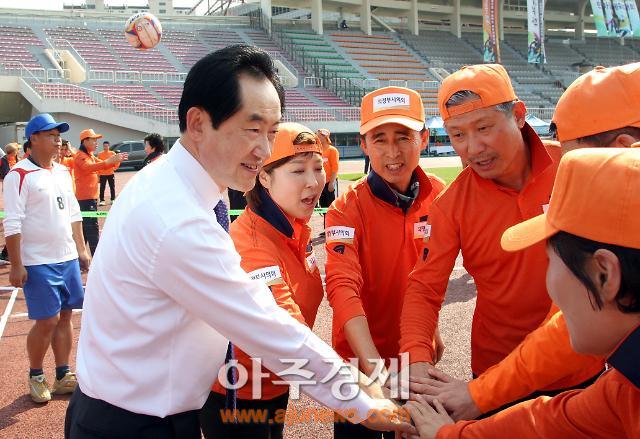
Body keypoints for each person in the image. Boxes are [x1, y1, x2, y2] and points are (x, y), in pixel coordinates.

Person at [65, 45, 413, 439]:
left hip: (135, 410)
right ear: (198, 123)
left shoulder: (180, 183)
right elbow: (266, 326)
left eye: (271, 131)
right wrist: (365, 404)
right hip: (136, 424)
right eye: (252, 129)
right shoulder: (176, 219)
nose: (264, 150)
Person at [411, 62, 640, 420]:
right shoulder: (450, 205)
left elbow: (565, 324)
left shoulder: (576, 165)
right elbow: (423, 288)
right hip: (497, 366)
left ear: (518, 114)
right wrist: (417, 359)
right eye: (457, 135)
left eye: (483, 127)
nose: (472, 148)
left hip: (581, 363)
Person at [325, 86, 446, 439]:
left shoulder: (440, 195)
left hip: (412, 355)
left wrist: (430, 333)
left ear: (423, 139)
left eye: (404, 137)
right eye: (379, 139)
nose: (393, 152)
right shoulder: (345, 209)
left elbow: (431, 273)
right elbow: (342, 289)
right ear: (364, 145)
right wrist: (377, 373)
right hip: (357, 364)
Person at [200, 122, 326, 438]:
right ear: (264, 177)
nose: (313, 182)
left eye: (319, 167)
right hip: (236, 396)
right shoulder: (252, 244)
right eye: (298, 171)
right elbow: (286, 327)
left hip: (274, 384)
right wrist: (362, 395)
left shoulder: (295, 228)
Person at [3, 113, 91, 403]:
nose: (58, 140)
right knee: (47, 320)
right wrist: (16, 264)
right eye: (51, 135)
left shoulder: (63, 172)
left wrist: (81, 248)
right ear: (34, 139)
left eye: (59, 135)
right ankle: (36, 374)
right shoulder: (18, 175)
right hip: (37, 261)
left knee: (66, 316)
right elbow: (13, 222)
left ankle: (63, 374)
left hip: (66, 257)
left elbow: (74, 214)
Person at [73, 129, 125, 255]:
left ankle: (79, 257)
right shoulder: (80, 156)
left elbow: (102, 165)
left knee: (86, 229)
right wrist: (110, 161)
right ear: (85, 141)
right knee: (92, 229)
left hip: (89, 198)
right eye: (94, 140)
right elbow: (89, 168)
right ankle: (95, 258)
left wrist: (115, 161)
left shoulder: (89, 155)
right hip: (85, 199)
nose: (97, 143)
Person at [317, 128, 339, 209]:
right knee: (323, 207)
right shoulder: (317, 150)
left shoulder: (332, 150)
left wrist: (332, 183)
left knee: (331, 207)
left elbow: (335, 168)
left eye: (319, 136)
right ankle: (326, 221)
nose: (317, 138)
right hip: (320, 183)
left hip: (329, 182)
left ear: (325, 137)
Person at [97, 140, 119, 206]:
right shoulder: (100, 154)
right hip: (103, 174)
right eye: (104, 146)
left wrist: (115, 168)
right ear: (103, 146)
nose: (105, 147)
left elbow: (117, 161)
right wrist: (98, 173)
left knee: (112, 187)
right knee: (102, 187)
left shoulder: (112, 153)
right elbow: (98, 163)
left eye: (106, 146)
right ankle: (102, 200)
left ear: (109, 146)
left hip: (111, 173)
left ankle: (112, 199)